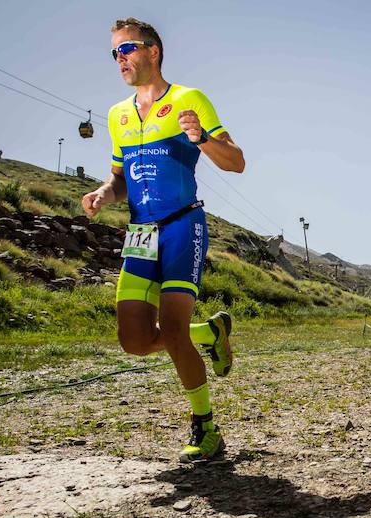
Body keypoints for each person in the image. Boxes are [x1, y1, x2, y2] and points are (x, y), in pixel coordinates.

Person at [81, 18, 245, 462]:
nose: (121, 59)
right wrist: (102, 193)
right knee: (133, 340)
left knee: (171, 331)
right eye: (114, 52)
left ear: (154, 51)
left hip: (181, 226)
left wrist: (202, 139)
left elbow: (236, 162)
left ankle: (205, 427)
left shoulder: (188, 99)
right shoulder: (117, 114)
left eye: (128, 49)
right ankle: (208, 333)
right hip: (139, 232)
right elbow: (119, 180)